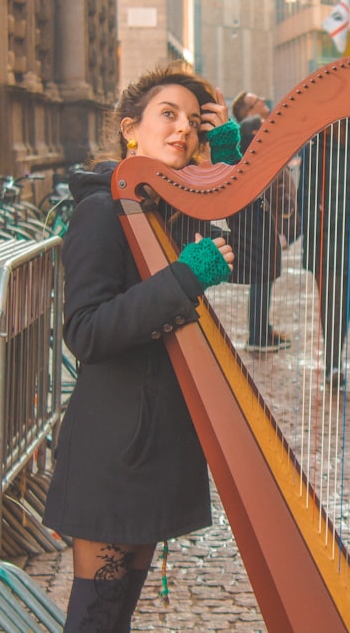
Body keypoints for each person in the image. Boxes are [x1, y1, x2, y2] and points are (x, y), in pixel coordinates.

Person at [42, 61, 238, 631]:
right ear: (131, 129)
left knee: (118, 614)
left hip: (158, 442)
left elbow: (256, 257)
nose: (183, 130)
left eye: (193, 123)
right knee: (96, 617)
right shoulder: (100, 212)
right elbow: (86, 331)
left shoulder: (167, 209)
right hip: (114, 446)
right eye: (167, 115)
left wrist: (224, 158)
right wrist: (183, 278)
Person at [298, 119, 350, 386]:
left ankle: (335, 354)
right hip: (325, 239)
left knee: (345, 305)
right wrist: (319, 224)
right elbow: (305, 197)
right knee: (331, 302)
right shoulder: (314, 151)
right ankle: (334, 363)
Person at [234, 114, 296, 351]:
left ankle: (262, 331)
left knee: (264, 281)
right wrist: (281, 231)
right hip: (265, 234)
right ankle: (258, 335)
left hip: (266, 233)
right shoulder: (257, 165)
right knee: (262, 282)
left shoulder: (257, 162)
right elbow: (280, 200)